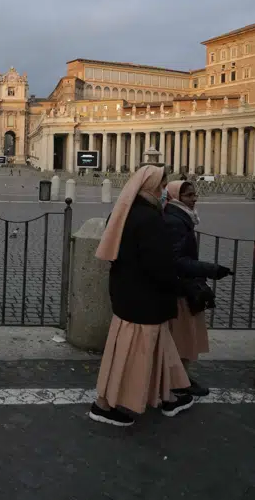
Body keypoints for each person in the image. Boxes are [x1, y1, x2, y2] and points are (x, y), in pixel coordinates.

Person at [89, 164, 192, 427]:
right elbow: (158, 265)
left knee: (151, 349)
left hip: (127, 293)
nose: (164, 192)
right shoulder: (149, 218)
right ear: (151, 188)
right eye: (161, 186)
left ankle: (165, 395)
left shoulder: (123, 212)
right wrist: (178, 286)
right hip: (145, 299)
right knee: (134, 356)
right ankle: (111, 404)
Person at [163, 180, 232, 396]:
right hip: (181, 288)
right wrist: (210, 269)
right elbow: (177, 260)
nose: (194, 199)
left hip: (181, 285)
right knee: (183, 339)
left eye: (194, 195)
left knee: (181, 339)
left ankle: (178, 378)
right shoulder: (176, 221)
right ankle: (179, 382)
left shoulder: (180, 217)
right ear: (175, 197)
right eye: (188, 196)